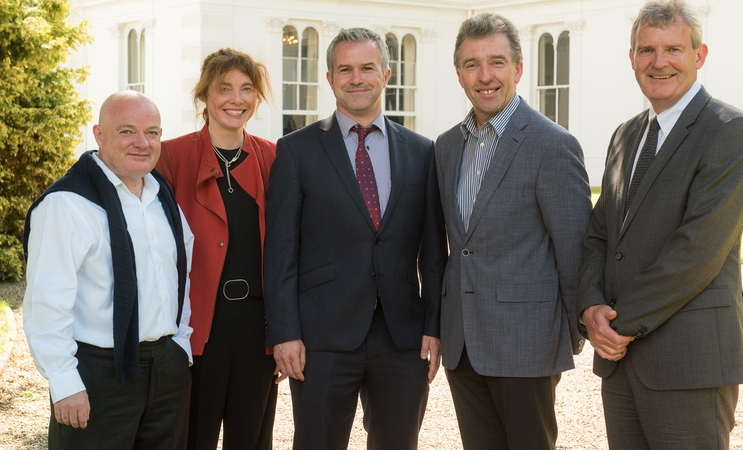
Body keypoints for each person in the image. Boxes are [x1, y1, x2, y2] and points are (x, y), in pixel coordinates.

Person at [577, 1, 743, 448]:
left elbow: (697, 251)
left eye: (673, 49)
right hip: (621, 362)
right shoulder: (626, 134)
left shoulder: (729, 130)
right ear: (632, 58)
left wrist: (619, 324)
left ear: (699, 56)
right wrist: (590, 307)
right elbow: (601, 233)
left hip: (689, 361)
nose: (659, 62)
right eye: (646, 50)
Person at [264, 27, 447, 450]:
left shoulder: (423, 152)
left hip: (402, 337)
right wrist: (284, 332)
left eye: (367, 68)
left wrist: (433, 326)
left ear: (386, 74)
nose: (356, 78)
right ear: (329, 79)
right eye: (344, 69)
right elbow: (280, 251)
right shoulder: (296, 151)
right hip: (320, 337)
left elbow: (435, 255)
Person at [435, 12, 592, 450]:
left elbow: (574, 248)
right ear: (459, 74)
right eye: (472, 64)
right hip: (462, 341)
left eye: (497, 62)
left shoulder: (552, 144)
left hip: (527, 343)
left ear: (518, 69)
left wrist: (571, 334)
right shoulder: (447, 147)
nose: (485, 76)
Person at [22, 90, 194, 449]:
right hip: (98, 373)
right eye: (127, 131)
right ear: (99, 134)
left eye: (153, 132)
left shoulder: (161, 195)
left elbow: (181, 275)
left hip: (165, 370)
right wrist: (65, 382)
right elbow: (46, 303)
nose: (142, 143)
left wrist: (181, 344)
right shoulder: (67, 204)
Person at [155, 48, 278, 450]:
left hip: (257, 327)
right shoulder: (172, 156)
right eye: (224, 88)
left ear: (256, 99)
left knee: (252, 437)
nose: (236, 99)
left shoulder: (273, 157)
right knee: (192, 436)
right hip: (197, 326)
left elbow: (289, 248)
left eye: (246, 89)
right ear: (205, 95)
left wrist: (285, 331)